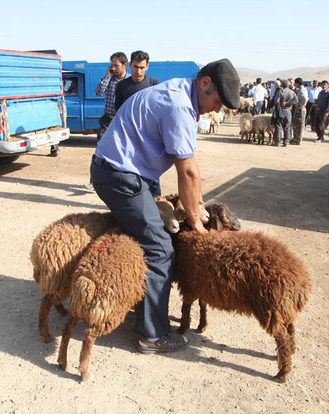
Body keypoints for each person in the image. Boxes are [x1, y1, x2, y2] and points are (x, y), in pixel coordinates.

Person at [90, 59, 240, 353]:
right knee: (160, 248)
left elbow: (189, 167)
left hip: (129, 171)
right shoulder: (179, 107)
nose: (217, 109)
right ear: (205, 83)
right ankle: (152, 335)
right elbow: (187, 171)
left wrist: (197, 203)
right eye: (217, 101)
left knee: (152, 234)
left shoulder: (178, 94)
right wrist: (196, 221)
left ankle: (136, 302)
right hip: (120, 175)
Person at [114, 50, 161, 196]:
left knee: (153, 168)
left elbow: (160, 110)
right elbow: (119, 112)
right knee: (131, 169)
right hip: (130, 136)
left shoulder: (154, 84)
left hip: (150, 136)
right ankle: (136, 199)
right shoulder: (122, 87)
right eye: (135, 67)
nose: (138, 71)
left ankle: (155, 199)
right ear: (130, 66)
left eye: (142, 67)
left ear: (147, 66)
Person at [95, 52, 130, 141]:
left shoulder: (130, 81)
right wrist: (108, 76)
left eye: (116, 65)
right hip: (107, 120)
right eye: (112, 65)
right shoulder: (109, 79)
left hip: (123, 120)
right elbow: (98, 92)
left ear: (124, 65)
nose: (113, 68)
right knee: (102, 146)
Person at [271, 79, 298, 147]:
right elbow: (296, 101)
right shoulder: (292, 92)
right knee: (287, 127)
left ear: (282, 85)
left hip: (280, 110)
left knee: (278, 126)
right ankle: (286, 142)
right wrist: (288, 103)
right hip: (288, 111)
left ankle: (277, 141)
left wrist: (282, 103)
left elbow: (276, 101)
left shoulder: (280, 91)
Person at [291, 77, 308, 145]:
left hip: (300, 109)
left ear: (297, 83)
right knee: (296, 124)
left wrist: (301, 104)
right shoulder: (299, 90)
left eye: (295, 83)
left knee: (300, 124)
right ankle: (295, 138)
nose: (294, 84)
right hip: (298, 108)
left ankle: (298, 140)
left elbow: (304, 98)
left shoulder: (302, 90)